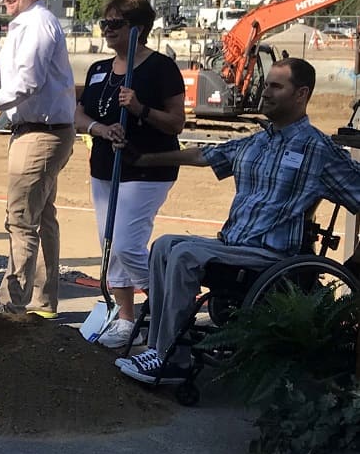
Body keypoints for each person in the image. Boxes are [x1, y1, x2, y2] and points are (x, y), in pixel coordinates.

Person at [117, 58, 360, 385]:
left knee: (185, 255)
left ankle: (173, 361)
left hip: (272, 257)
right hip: (233, 246)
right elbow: (202, 155)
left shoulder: (319, 150)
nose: (265, 92)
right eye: (266, 84)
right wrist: (145, 159)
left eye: (276, 86)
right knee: (164, 245)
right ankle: (158, 349)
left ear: (301, 94)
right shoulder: (259, 140)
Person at [0, 0, 77, 317]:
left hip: (41, 133)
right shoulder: (20, 27)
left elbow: (28, 85)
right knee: (41, 215)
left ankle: (12, 304)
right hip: (32, 130)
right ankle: (44, 302)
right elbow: (9, 77)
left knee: (21, 220)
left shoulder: (40, 25)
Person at [74, 0, 185, 347]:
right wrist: (101, 129)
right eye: (104, 23)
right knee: (110, 244)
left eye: (115, 24)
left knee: (125, 243)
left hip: (147, 167)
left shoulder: (161, 68)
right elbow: (78, 114)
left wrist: (139, 109)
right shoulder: (99, 70)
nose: (106, 29)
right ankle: (126, 317)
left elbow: (176, 122)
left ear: (138, 29)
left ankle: (165, 300)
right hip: (105, 167)